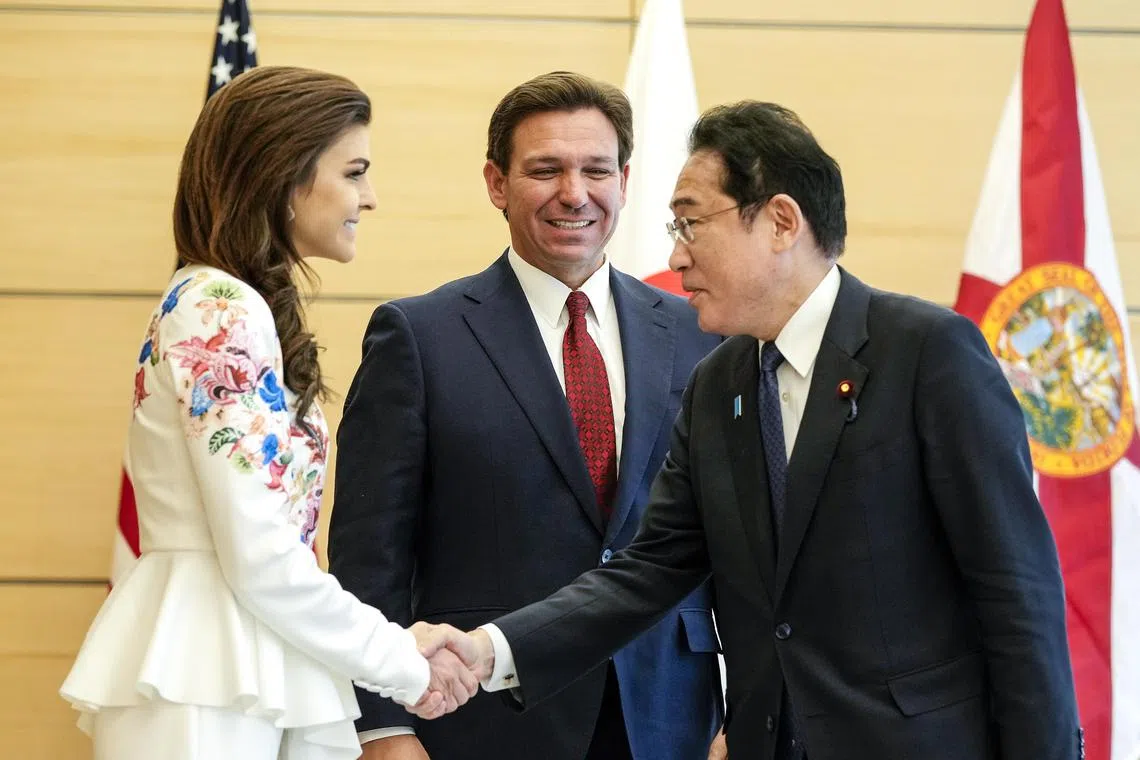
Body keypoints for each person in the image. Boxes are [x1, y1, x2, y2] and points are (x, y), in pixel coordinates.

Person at [432, 100, 1084, 760]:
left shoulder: (927, 354)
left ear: (779, 222)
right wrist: (489, 651)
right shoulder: (719, 386)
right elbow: (648, 571)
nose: (674, 255)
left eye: (690, 224)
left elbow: (1016, 595)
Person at [59, 66, 476, 760]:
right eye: (355, 172)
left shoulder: (228, 301)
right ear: (286, 175)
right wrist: (401, 660)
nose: (369, 198)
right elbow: (259, 553)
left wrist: (394, 647)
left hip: (234, 654)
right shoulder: (219, 306)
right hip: (202, 666)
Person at [328, 71, 724, 760]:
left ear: (625, 182)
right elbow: (370, 559)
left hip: (670, 717)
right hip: (482, 720)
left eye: (596, 170)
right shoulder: (419, 337)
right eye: (546, 170)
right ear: (496, 183)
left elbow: (734, 541)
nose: (574, 193)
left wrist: (739, 715)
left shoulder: (700, 332)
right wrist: (382, 727)